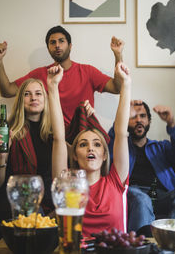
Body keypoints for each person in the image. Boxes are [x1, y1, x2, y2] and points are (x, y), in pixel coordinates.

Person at [48, 61, 131, 237]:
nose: (90, 148)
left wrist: (126, 85)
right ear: (75, 156)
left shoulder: (116, 182)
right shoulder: (66, 185)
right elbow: (58, 138)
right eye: (83, 144)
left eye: (97, 144)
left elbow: (121, 133)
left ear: (104, 155)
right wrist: (53, 86)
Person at [0, 26, 124, 127]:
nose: (57, 45)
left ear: (70, 46)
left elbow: (117, 88)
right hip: (50, 136)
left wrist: (118, 55)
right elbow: (7, 91)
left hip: (82, 134)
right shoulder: (39, 74)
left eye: (61, 41)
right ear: (48, 48)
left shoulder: (87, 71)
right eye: (52, 42)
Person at [108, 101, 175, 235]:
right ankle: (141, 246)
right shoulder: (120, 148)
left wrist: (171, 123)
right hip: (133, 194)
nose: (138, 120)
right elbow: (111, 142)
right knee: (142, 199)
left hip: (161, 195)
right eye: (133, 116)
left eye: (142, 116)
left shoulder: (161, 147)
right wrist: (121, 117)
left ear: (149, 121)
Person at [0, 78, 55, 222]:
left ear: (45, 99)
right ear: (20, 100)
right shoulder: (9, 131)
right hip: (18, 203)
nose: (33, 98)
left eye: (38, 93)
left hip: (49, 205)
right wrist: (0, 158)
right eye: (27, 94)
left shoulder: (54, 134)